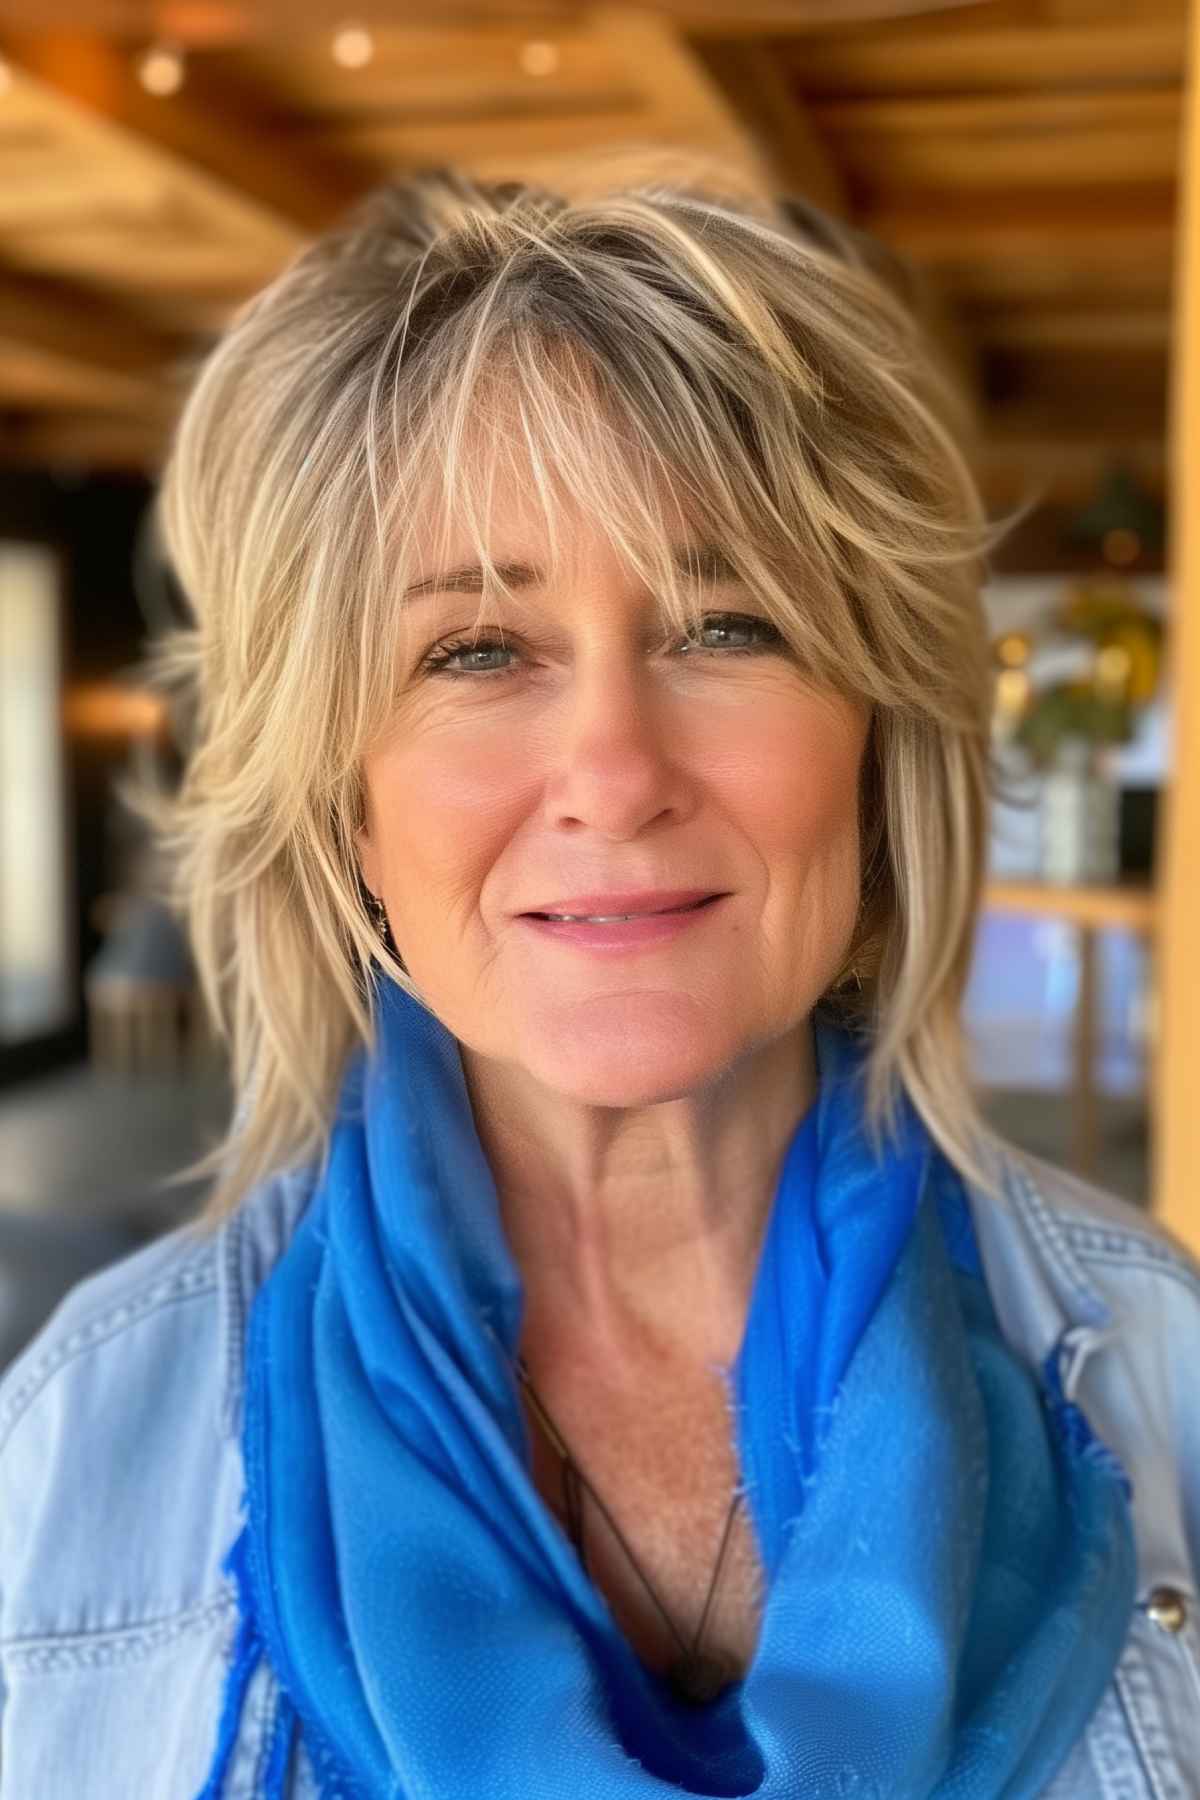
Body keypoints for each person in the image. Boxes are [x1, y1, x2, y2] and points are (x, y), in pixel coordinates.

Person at [0, 153, 1196, 1800]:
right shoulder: (79, 1434)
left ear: (874, 747)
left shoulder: (1165, 1366)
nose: (614, 773)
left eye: (729, 625)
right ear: (343, 801)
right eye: (476, 650)